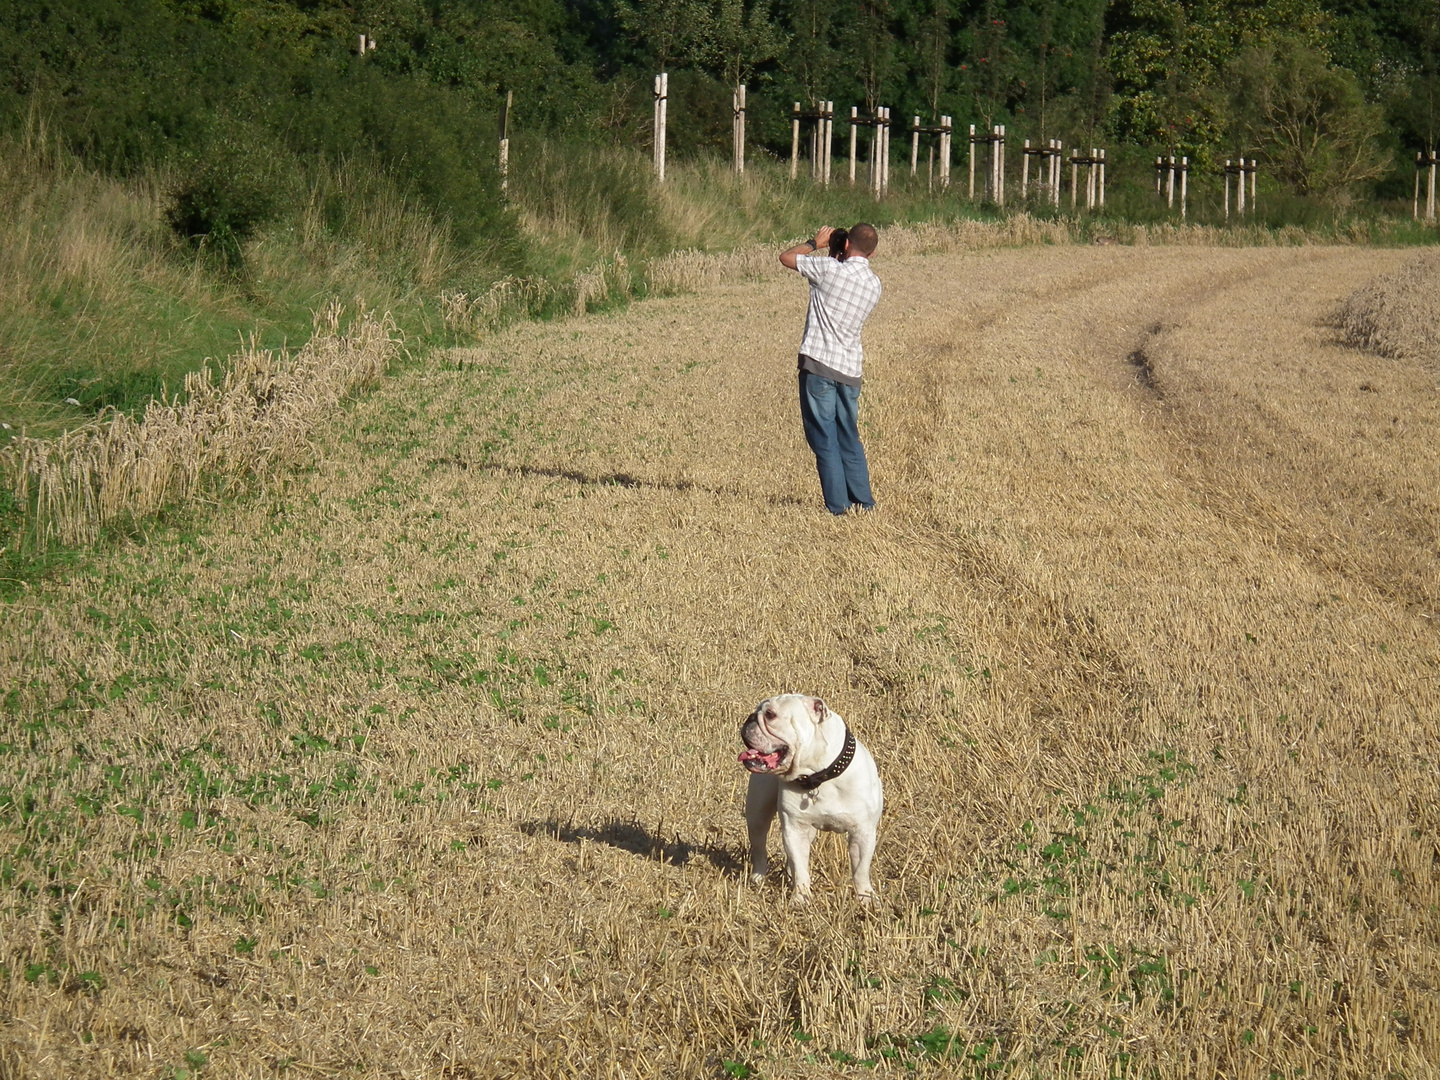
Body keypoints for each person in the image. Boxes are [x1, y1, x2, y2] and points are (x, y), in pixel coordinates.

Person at [779, 222, 883, 515]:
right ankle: (864, 502)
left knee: (824, 438)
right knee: (848, 436)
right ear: (872, 254)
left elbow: (786, 257)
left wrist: (815, 243)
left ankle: (838, 507)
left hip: (819, 365)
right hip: (850, 370)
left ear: (846, 244)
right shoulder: (875, 284)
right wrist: (837, 254)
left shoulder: (828, 271)